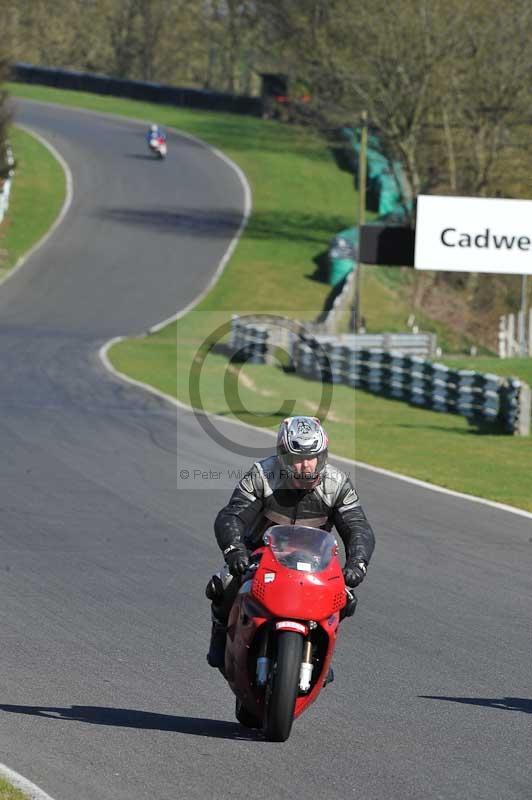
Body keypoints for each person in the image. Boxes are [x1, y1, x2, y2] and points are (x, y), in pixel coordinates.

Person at [206, 415, 375, 669]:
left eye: (311, 457)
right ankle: (220, 631)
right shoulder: (262, 475)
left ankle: (321, 654)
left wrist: (357, 563)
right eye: (296, 459)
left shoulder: (337, 484)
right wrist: (235, 550)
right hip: (260, 555)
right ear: (283, 457)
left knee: (345, 600)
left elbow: (358, 527)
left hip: (314, 561)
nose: (305, 466)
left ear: (323, 455)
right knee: (224, 583)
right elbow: (232, 515)